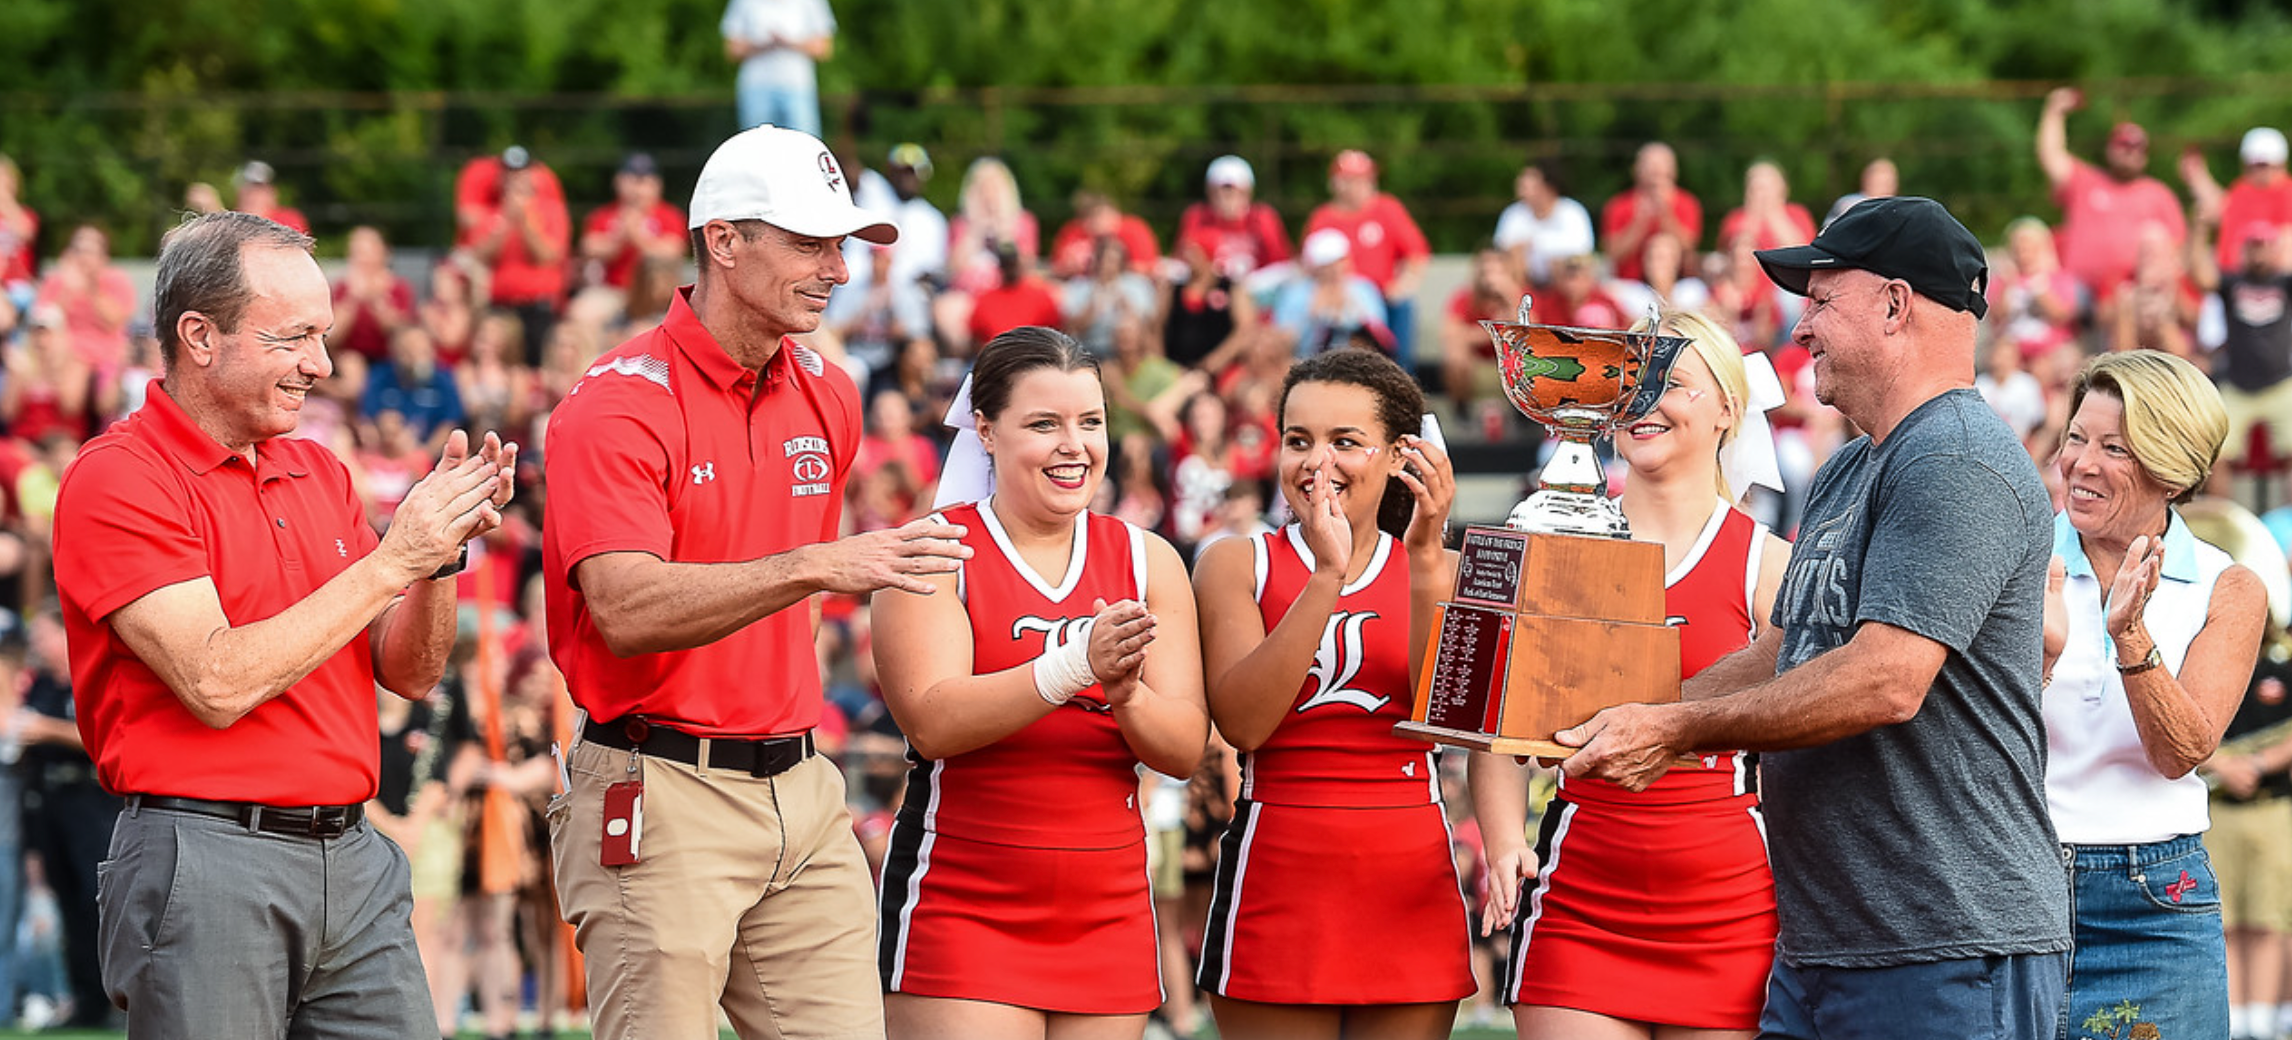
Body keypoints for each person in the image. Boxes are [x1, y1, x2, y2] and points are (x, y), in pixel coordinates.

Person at [1558, 197, 2072, 1038]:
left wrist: (1679, 728)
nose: (1800, 329)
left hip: (1946, 942)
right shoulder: (1847, 470)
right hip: (1834, 943)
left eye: (1822, 300)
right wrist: (1621, 711)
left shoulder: (1957, 458)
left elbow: (1886, 680)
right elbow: (1786, 649)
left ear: (1897, 306)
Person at [541, 124, 969, 1040]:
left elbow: (786, 608)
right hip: (658, 785)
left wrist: (811, 577)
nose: (839, 270)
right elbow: (621, 608)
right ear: (723, 240)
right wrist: (817, 564)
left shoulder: (831, 389)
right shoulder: (616, 403)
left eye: (841, 245)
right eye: (811, 243)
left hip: (803, 787)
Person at [51, 211, 517, 1038]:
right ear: (199, 335)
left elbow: (408, 673)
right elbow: (217, 681)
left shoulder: (321, 468)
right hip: (207, 854)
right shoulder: (118, 478)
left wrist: (440, 554)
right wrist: (394, 559)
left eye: (325, 335)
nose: (323, 365)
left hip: (354, 854)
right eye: (294, 338)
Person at [872, 326, 1208, 1039]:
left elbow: (1182, 748)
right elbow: (933, 721)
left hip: (1107, 904)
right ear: (986, 431)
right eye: (1044, 424)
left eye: (1090, 422)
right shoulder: (932, 549)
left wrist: (1128, 697)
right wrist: (1073, 666)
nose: (1074, 445)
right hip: (963, 902)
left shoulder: (1148, 559)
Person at [1474, 309, 1789, 1040]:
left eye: (1671, 383)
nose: (1644, 402)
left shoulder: (1766, 562)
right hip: (1582, 896)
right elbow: (1501, 727)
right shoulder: (1563, 537)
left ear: (1728, 411)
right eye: (1631, 383)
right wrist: (1501, 841)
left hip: (1732, 907)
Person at [1192, 348, 1473, 1040]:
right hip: (1277, 877)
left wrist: (1429, 554)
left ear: (1399, 456)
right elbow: (1245, 723)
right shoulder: (1236, 561)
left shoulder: (1449, 567)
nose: (1317, 463)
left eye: (1345, 441)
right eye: (1298, 441)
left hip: (1410, 883)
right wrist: (1327, 575)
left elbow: (1448, 716)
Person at [2040, 350, 2266, 1040]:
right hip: (2017, 886)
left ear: (2172, 470)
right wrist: (2039, 659)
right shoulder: (2020, 561)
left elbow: (2182, 752)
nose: (2080, 462)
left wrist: (2131, 638)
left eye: (2114, 448)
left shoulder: (2229, 587)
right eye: (2076, 437)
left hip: (2157, 902)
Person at [2036, 87, 2185, 302]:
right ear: (2109, 149)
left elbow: (2177, 250)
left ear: (2145, 156)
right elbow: (2051, 156)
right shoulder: (2085, 180)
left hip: (2135, 291)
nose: (2129, 151)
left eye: (2136, 147)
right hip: (2081, 289)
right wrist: (2054, 112)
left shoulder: (2159, 194)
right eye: (2123, 144)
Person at [2187, 202, 2292, 479]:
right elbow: (2202, 277)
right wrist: (2199, 231)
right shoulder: (2232, 282)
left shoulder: (2285, 283)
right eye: (2254, 246)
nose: (2259, 252)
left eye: (2264, 245)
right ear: (2244, 249)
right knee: (2217, 454)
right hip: (2237, 385)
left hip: (2282, 383)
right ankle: (2225, 519)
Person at [1304, 151, 1429, 367]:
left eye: (1364, 179)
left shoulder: (1387, 209)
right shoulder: (1322, 217)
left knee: (1403, 305)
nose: (1360, 186)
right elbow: (1308, 264)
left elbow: (1417, 254)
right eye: (1351, 180)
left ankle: (1401, 376)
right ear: (1335, 183)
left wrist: (1402, 285)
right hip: (1336, 295)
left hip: (1380, 298)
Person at [461, 146, 570, 366]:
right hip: (501, 305)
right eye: (509, 172)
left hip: (538, 305)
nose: (515, 178)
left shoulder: (551, 209)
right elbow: (480, 254)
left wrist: (525, 221)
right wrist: (505, 224)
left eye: (521, 172)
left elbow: (547, 255)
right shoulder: (491, 213)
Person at [577, 152, 688, 312]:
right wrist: (620, 239)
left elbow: (672, 253)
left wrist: (636, 236)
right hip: (611, 291)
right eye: (631, 180)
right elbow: (589, 248)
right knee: (582, 313)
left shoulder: (670, 215)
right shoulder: (603, 215)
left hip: (655, 296)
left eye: (644, 181)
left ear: (657, 185)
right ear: (618, 182)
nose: (638, 188)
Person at [720, 0, 835, 135]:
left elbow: (823, 49)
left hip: (798, 87)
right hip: (756, 88)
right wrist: (762, 45)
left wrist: (789, 43)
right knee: (757, 148)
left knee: (805, 147)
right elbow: (732, 50)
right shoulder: (743, 2)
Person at [1272, 229, 1390, 358]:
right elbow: (1283, 339)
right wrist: (1312, 318)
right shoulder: (1296, 294)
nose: (1335, 269)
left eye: (1340, 261)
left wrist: (1349, 309)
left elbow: (1380, 335)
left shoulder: (1363, 288)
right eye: (1328, 265)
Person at [1177, 155, 1293, 281]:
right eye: (1221, 191)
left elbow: (1281, 263)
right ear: (1210, 193)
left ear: (1248, 193)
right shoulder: (1198, 217)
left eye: (1234, 192)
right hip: (1210, 289)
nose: (1227, 197)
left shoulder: (1263, 217)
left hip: (1255, 290)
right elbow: (1183, 262)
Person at [1602, 142, 1703, 284]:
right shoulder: (1619, 205)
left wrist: (1666, 214)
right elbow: (1613, 253)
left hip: (1677, 285)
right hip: (1630, 285)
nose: (1656, 171)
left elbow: (1688, 247)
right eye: (1650, 165)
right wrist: (1639, 223)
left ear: (1673, 171)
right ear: (1637, 170)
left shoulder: (1687, 203)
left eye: (1661, 165)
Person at [1493, 164, 1595, 287]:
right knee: (1511, 257)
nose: (1521, 186)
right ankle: (1521, 299)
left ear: (1549, 187)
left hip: (1562, 281)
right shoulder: (1513, 214)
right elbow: (1502, 249)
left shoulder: (1572, 212)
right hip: (1526, 280)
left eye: (1529, 183)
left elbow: (1581, 250)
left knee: (1564, 263)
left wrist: (1537, 245)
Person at [329, 225, 416, 367]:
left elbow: (401, 332)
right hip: (349, 359)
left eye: (366, 252)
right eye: (356, 253)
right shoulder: (342, 289)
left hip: (390, 358)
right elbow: (332, 336)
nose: (361, 259)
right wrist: (352, 299)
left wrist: (378, 300)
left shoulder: (399, 288)